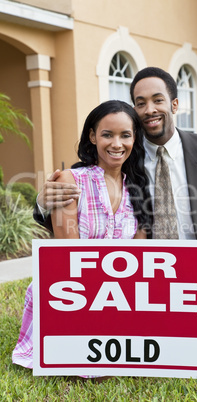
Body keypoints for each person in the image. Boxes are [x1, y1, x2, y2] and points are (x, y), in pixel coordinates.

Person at [34, 67, 197, 372]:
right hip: (144, 290)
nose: (149, 109)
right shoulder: (121, 157)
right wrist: (42, 203)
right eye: (140, 103)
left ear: (175, 104)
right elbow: (75, 201)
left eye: (157, 100)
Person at [12, 100, 153, 371]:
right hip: (71, 291)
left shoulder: (138, 190)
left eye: (125, 135)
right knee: (93, 370)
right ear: (92, 136)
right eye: (107, 134)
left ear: (135, 138)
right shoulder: (70, 180)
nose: (117, 144)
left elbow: (138, 262)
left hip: (117, 294)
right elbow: (68, 259)